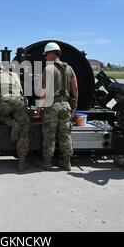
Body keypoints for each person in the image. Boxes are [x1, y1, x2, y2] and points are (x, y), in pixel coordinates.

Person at [36, 42, 78, 171]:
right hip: (65, 105)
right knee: (65, 134)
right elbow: (75, 88)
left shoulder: (48, 68)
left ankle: (47, 163)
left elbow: (44, 89)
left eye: (46, 54)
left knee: (49, 135)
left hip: (52, 105)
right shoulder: (69, 68)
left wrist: (40, 106)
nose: (45, 57)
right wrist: (74, 104)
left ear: (52, 54)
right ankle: (67, 162)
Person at [0, 60, 30, 172]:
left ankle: (12, 123)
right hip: (20, 100)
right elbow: (21, 90)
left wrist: (3, 102)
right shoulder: (14, 75)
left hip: (6, 100)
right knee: (23, 132)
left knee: (1, 116)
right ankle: (21, 162)